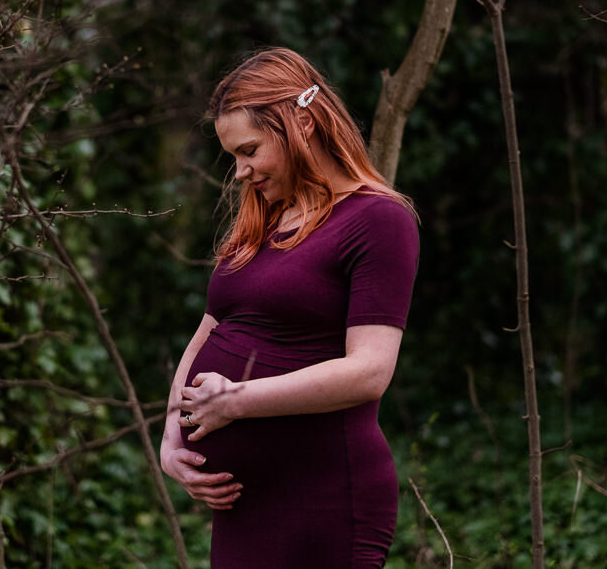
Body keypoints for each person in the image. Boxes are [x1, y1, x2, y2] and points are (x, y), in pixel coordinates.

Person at [159, 48, 419, 568]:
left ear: (300, 122)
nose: (239, 171)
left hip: (324, 499)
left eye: (249, 149)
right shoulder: (262, 223)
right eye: (233, 155)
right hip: (241, 506)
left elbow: (369, 372)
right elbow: (212, 326)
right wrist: (172, 433)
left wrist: (236, 400)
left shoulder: (378, 220)